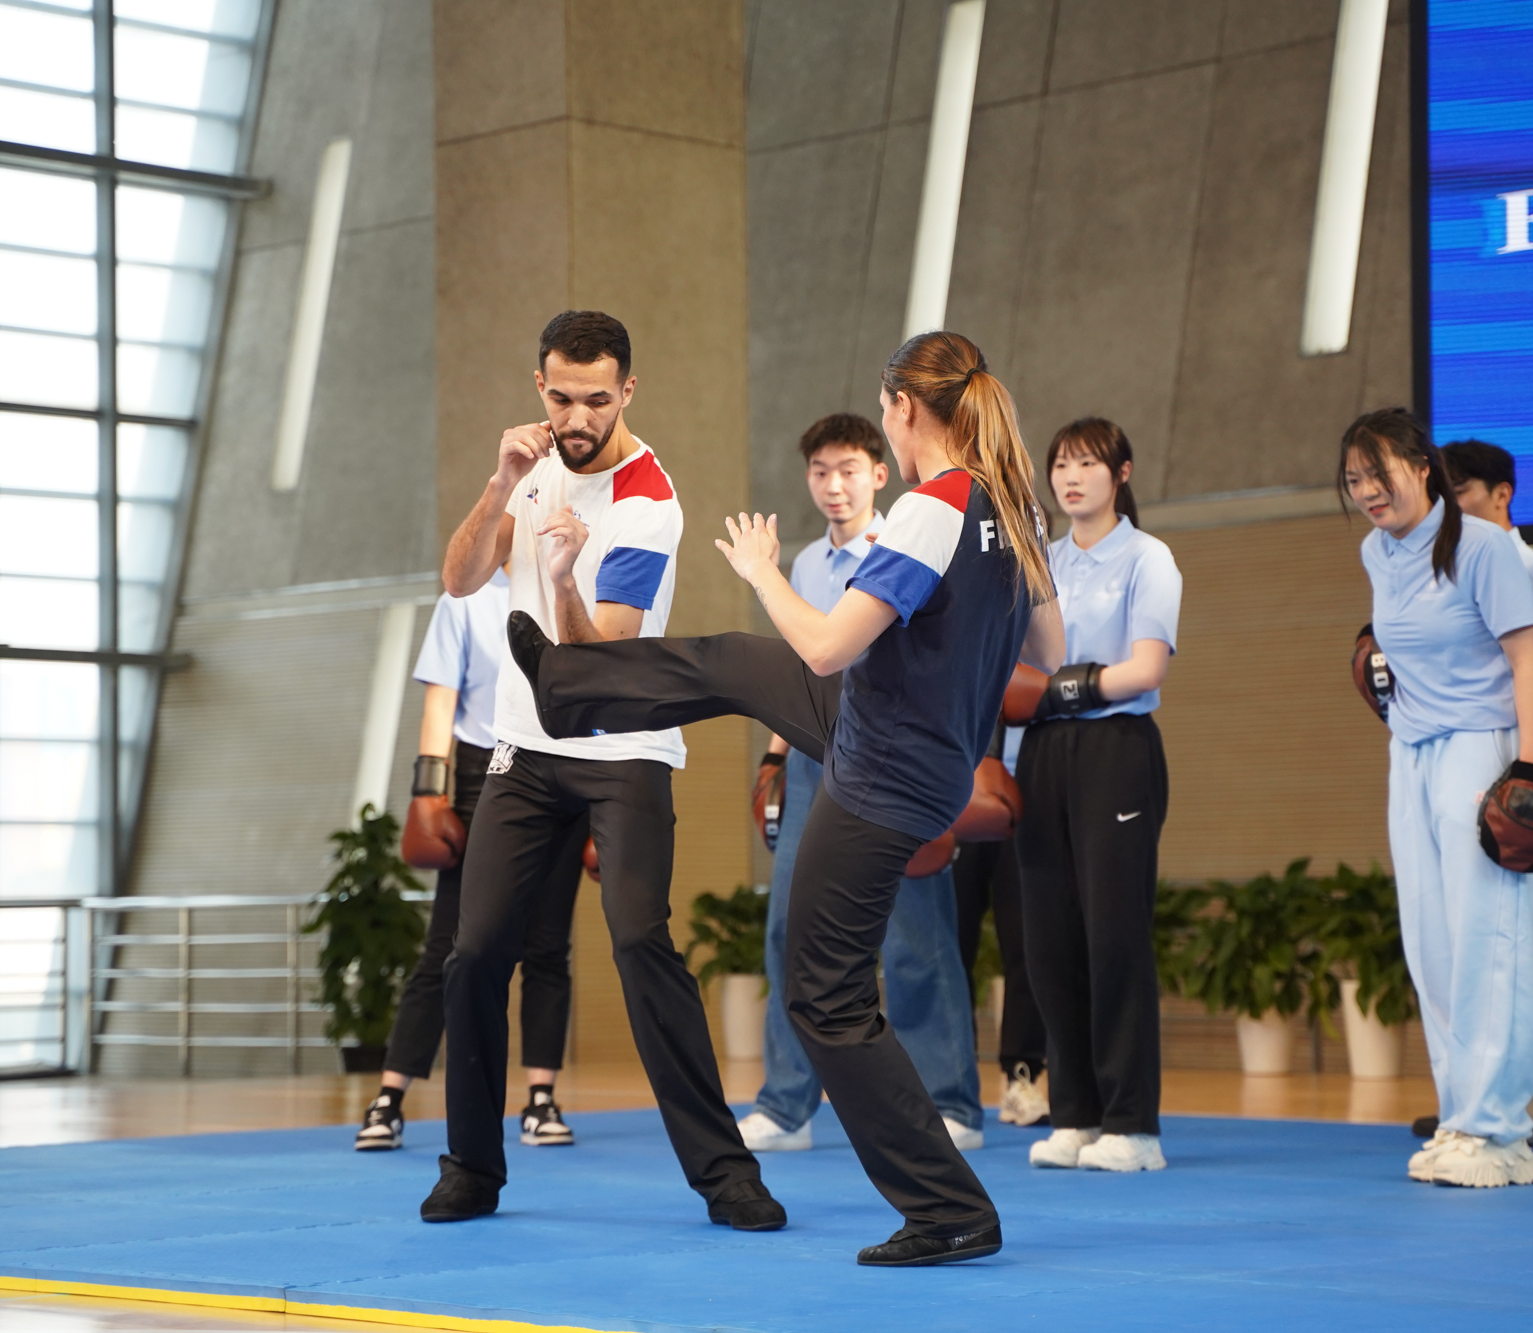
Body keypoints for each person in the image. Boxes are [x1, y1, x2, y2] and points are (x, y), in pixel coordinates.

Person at [508, 330, 1065, 1266]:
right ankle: (569, 688)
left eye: (884, 412)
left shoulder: (931, 509)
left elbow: (826, 645)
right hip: (903, 734)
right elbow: (1049, 647)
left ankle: (948, 1207)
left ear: (903, 410)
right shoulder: (1012, 506)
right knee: (731, 661)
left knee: (823, 995)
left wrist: (762, 568)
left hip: (882, 767)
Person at [420, 310, 784, 1232]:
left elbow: (607, 658)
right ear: (539, 387)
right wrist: (500, 486)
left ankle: (726, 1174)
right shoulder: (532, 463)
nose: (575, 417)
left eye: (594, 399)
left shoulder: (648, 498)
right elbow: (459, 581)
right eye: (560, 397)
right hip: (525, 749)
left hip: (624, 748)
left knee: (638, 944)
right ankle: (472, 1165)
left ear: (627, 391)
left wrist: (563, 580)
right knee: (473, 952)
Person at [737, 413, 985, 1154]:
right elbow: (798, 667)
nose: (834, 484)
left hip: (890, 758)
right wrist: (774, 758)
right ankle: (787, 1105)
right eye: (820, 471)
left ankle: (950, 1102)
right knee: (789, 926)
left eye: (848, 469)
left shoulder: (912, 539)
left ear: (879, 473)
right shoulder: (807, 562)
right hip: (814, 755)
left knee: (914, 932)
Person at [1341, 408, 1533, 1189]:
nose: (1368, 490)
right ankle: (1461, 1116)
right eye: (1355, 479)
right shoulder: (1376, 550)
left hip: (1482, 746)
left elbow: (1528, 661)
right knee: (1431, 942)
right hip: (1412, 751)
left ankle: (1502, 1130)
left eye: (1380, 473)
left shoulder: (1485, 547)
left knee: (1487, 938)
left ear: (1422, 466)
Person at [355, 572, 587, 1153]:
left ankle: (540, 1098)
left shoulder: (572, 584)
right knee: (449, 943)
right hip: (486, 769)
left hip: (566, 765)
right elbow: (441, 699)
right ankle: (389, 1098)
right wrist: (427, 793)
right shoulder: (465, 599)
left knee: (548, 944)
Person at [1010, 418, 1181, 1174]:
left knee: (1114, 936)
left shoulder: (1148, 558)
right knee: (1047, 940)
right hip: (1042, 751)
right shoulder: (1039, 562)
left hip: (1116, 748)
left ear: (1122, 473)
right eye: (1061, 465)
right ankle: (1076, 1113)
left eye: (1087, 463)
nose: (1071, 477)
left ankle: (1133, 1124)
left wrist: (1061, 688)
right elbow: (1009, 669)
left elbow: (1145, 669)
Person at [1438, 438, 1533, 1150]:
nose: (1450, 508)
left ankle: (1528, 1108)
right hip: (1477, 758)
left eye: (1461, 493)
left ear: (1501, 494)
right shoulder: (1462, 566)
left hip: (1520, 762)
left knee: (1517, 943)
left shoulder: (1520, 567)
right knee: (1476, 939)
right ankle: (1478, 1097)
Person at [952, 720, 1049, 1127]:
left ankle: (1021, 1075)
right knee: (950, 948)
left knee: (1028, 945)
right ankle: (950, 1081)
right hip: (954, 790)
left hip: (1024, 790)